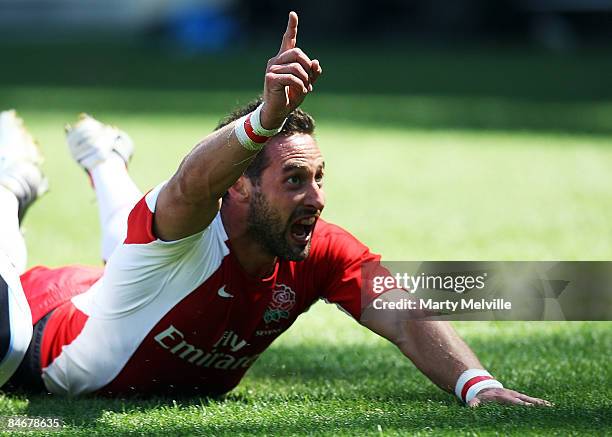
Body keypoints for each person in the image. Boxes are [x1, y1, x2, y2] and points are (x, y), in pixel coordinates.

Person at [0, 12, 550, 407]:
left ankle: (102, 156)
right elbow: (192, 182)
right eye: (295, 180)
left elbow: (405, 316)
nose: (317, 198)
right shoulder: (192, 224)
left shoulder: (317, 249)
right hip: (41, 321)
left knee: (133, 251)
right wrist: (263, 120)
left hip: (111, 286)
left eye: (318, 178)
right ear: (238, 188)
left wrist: (479, 384)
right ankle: (12, 183)